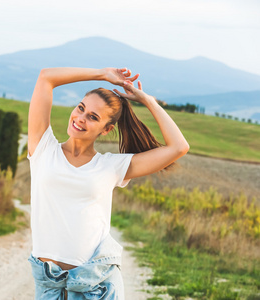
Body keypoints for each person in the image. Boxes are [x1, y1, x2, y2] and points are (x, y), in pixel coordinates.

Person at [26, 67, 189, 300]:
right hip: (49, 284)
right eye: (81, 108)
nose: (80, 118)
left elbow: (179, 148)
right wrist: (102, 75)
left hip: (96, 285)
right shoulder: (43, 148)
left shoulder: (111, 166)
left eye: (93, 117)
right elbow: (45, 77)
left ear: (107, 129)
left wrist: (147, 100)